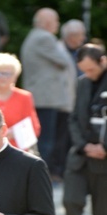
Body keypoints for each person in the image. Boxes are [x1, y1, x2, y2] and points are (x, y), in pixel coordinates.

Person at [63, 43, 107, 215]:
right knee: (71, 203)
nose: (87, 74)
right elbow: (73, 119)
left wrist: (104, 148)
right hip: (80, 158)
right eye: (83, 70)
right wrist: (85, 146)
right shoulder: (81, 84)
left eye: (91, 70)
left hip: (104, 163)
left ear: (103, 61)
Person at [20, 8, 70, 164]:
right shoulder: (45, 37)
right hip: (45, 98)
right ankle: (41, 177)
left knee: (38, 140)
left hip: (38, 96)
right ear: (48, 22)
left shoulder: (33, 36)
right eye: (56, 21)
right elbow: (65, 61)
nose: (58, 24)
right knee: (46, 142)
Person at [50, 19, 87, 180]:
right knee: (60, 138)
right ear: (71, 36)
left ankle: (68, 171)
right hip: (61, 102)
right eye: (81, 35)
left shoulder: (81, 51)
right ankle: (57, 172)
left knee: (73, 137)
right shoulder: (57, 49)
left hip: (78, 101)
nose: (83, 38)